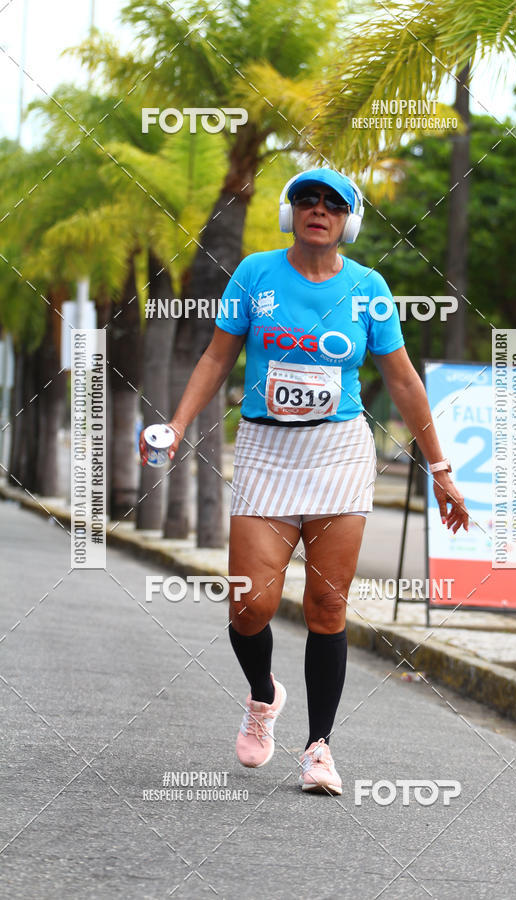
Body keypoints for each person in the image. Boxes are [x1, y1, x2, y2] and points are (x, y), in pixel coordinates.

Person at [140, 167, 469, 796]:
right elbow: (216, 357)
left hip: (340, 450)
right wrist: (178, 426)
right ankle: (264, 696)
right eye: (306, 199)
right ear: (292, 212)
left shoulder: (369, 287)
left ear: (349, 219)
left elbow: (402, 381)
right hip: (265, 448)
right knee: (249, 604)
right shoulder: (256, 274)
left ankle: (320, 747)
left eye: (333, 202)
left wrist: (441, 468)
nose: (318, 208)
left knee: (326, 605)